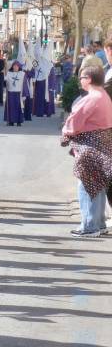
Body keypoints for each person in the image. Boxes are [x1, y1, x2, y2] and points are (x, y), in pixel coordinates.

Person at [61, 67, 112, 236]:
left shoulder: (91, 98)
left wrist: (65, 133)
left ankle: (89, 226)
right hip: (102, 145)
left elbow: (73, 123)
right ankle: (98, 224)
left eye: (82, 77)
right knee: (98, 185)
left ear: (89, 79)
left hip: (89, 147)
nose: (80, 80)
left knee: (86, 186)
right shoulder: (104, 96)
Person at [5, 60, 27, 126]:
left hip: (19, 93)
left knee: (18, 108)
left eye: (17, 66)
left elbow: (25, 84)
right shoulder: (9, 73)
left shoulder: (22, 74)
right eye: (14, 66)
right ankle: (11, 121)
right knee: (11, 107)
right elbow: (5, 80)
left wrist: (24, 94)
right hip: (11, 93)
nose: (15, 67)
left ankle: (19, 121)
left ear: (19, 67)